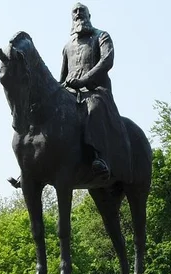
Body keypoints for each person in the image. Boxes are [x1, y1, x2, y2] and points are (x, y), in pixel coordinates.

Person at [60, 3, 131, 182]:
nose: (78, 14)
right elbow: (62, 76)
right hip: (71, 92)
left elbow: (107, 61)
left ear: (89, 15)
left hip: (96, 91)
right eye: (74, 12)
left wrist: (84, 80)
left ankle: (99, 157)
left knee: (94, 107)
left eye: (81, 11)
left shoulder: (101, 36)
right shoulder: (67, 46)